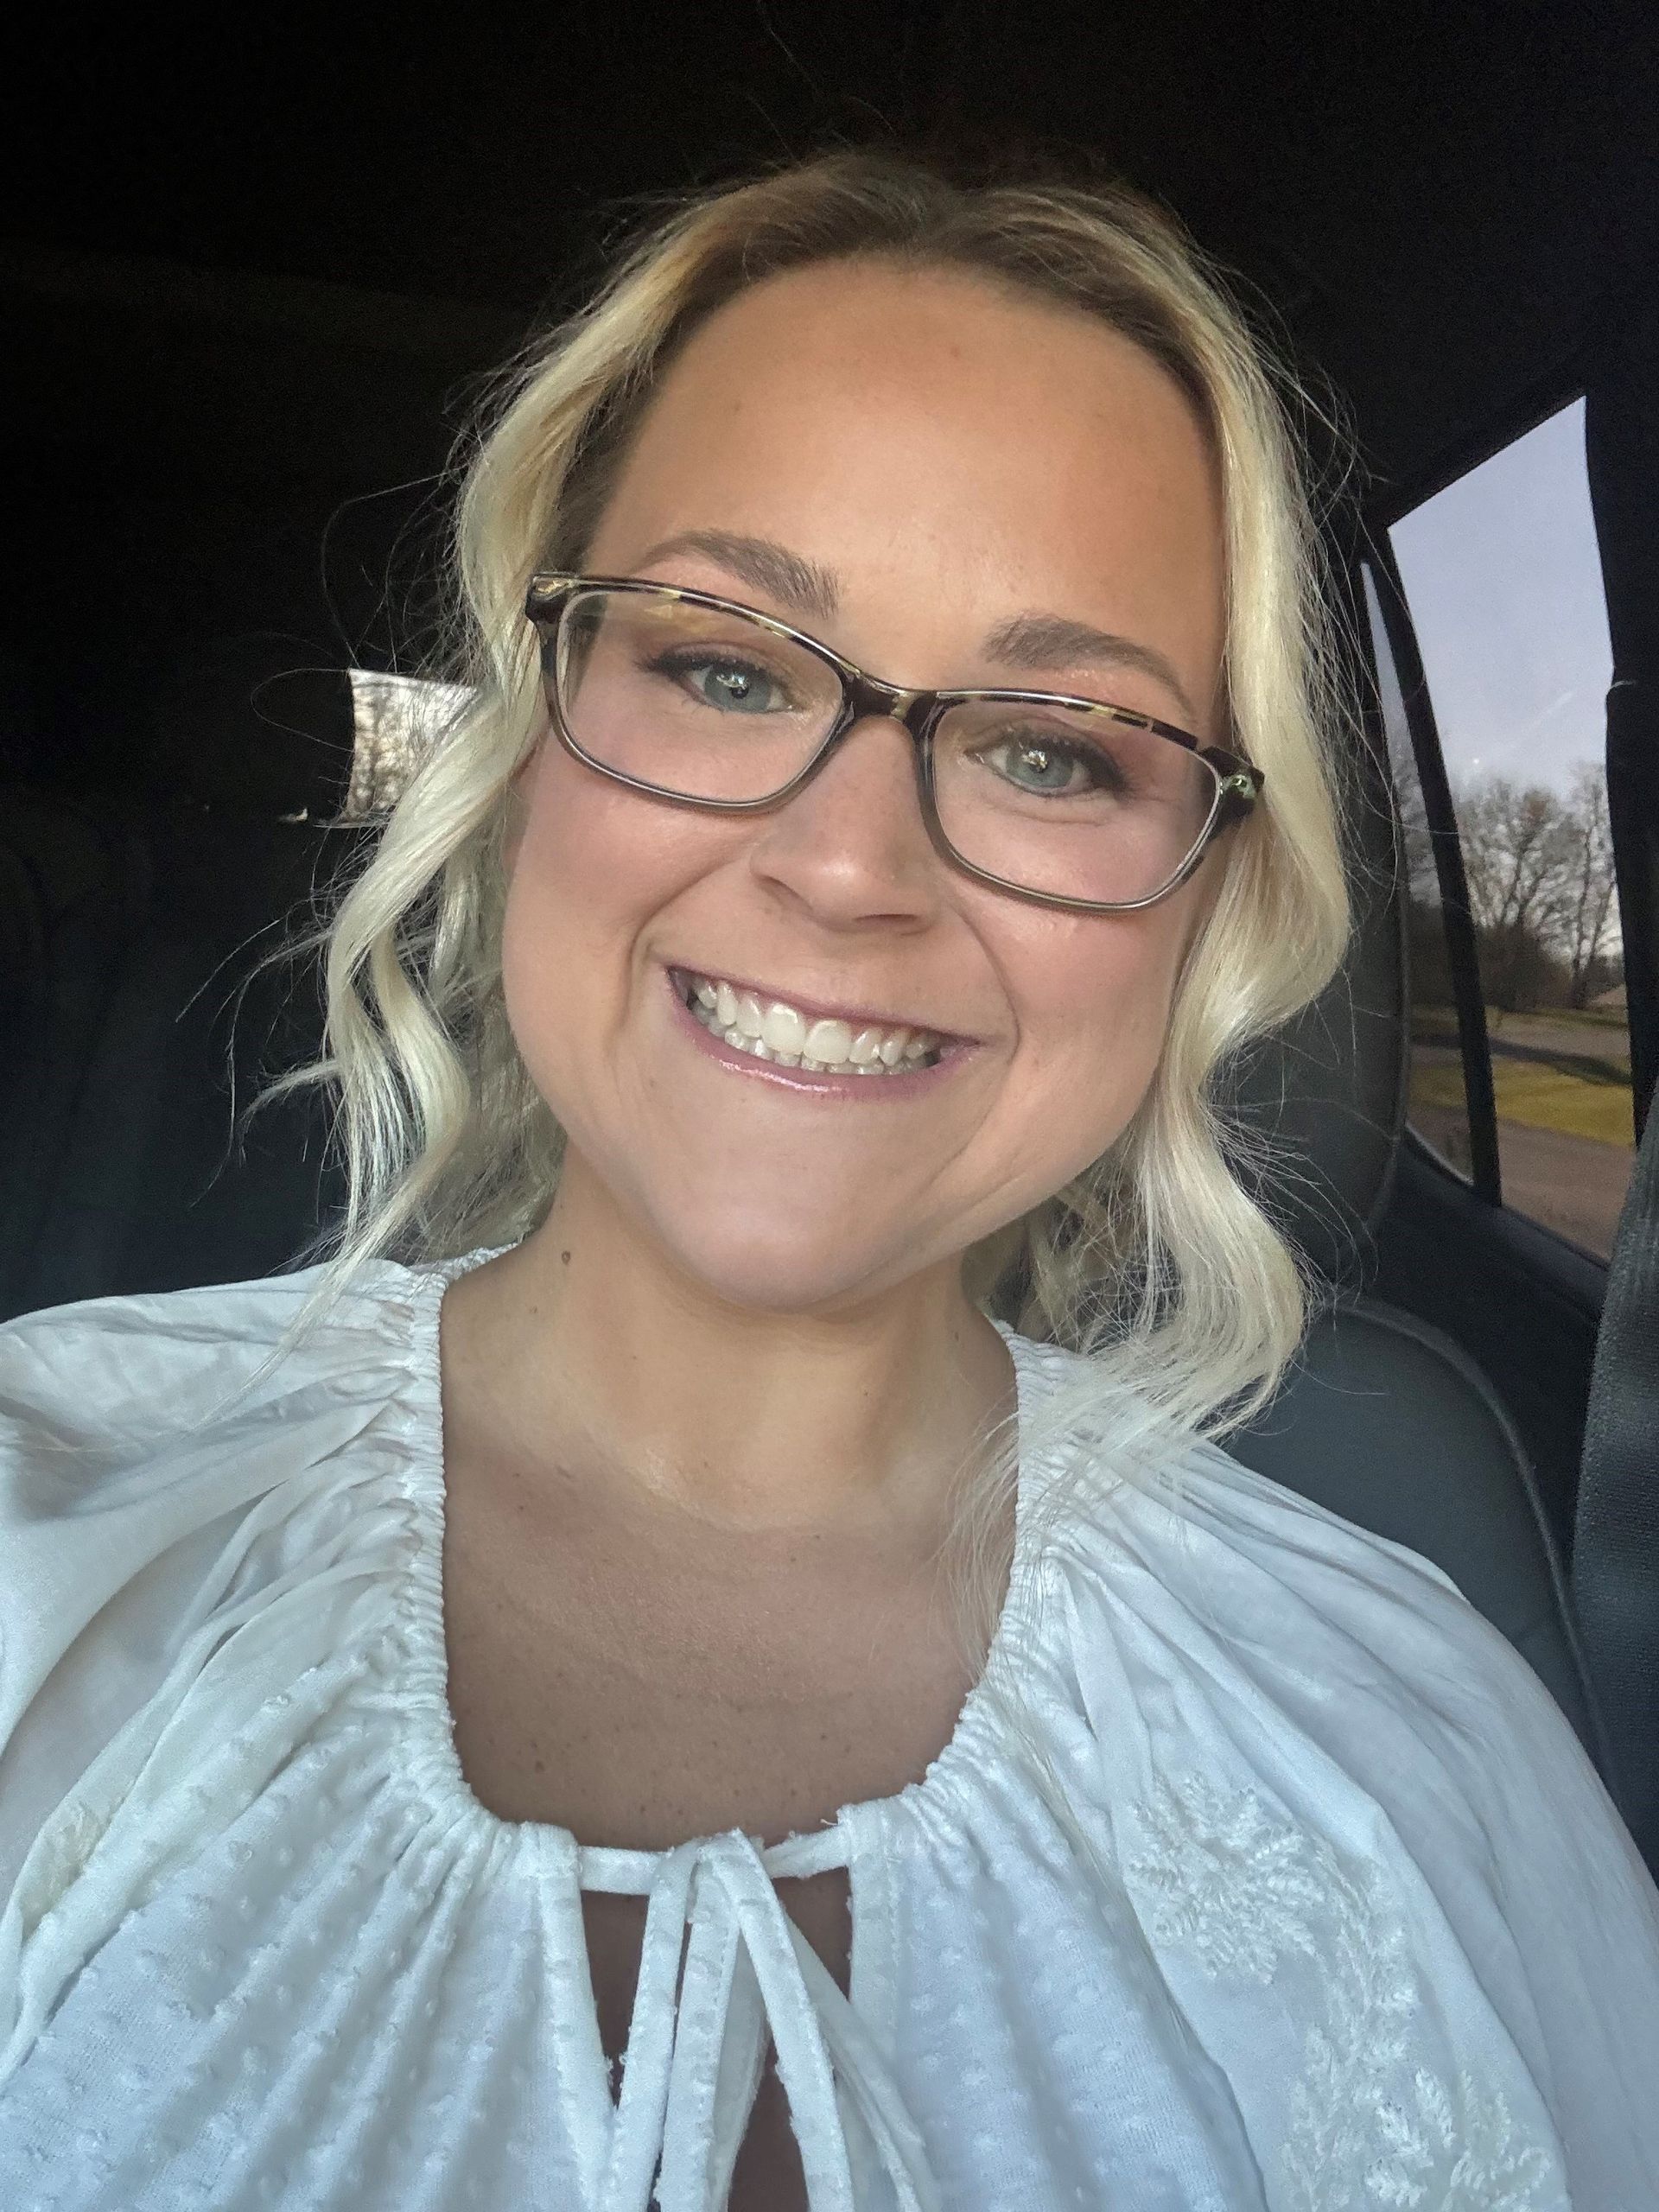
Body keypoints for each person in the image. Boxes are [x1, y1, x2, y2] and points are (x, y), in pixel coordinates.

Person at [1, 142, 1656, 2212]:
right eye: (722, 664)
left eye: (1055, 748)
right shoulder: (44, 1540)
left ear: (1205, 897)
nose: (849, 866)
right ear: (532, 749)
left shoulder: (1417, 1746)